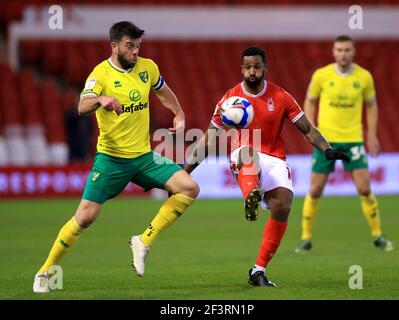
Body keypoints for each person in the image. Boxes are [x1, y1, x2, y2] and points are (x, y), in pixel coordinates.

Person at [33, 21, 199, 293]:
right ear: (114, 46)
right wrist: (100, 100)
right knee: (85, 217)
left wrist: (178, 112)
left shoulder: (148, 67)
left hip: (144, 156)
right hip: (111, 160)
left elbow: (163, 91)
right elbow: (81, 106)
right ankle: (45, 271)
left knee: (189, 188)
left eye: (137, 46)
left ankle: (142, 242)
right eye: (129, 46)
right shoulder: (100, 74)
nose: (135, 51)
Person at [185, 46, 349, 287]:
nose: (252, 71)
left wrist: (327, 149)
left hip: (275, 158)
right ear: (241, 69)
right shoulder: (229, 101)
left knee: (283, 205)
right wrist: (185, 171)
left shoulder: (281, 97)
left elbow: (308, 129)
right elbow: (209, 139)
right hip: (244, 155)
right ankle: (250, 194)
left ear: (265, 68)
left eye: (257, 66)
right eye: (248, 67)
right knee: (249, 154)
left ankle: (258, 271)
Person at [295, 35, 393, 253]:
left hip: (353, 139)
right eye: (339, 49)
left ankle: (378, 235)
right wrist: (311, 130)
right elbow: (309, 101)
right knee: (315, 189)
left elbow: (372, 105)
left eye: (347, 50)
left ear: (353, 51)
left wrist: (372, 135)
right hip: (326, 142)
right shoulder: (321, 75)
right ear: (333, 51)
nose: (343, 54)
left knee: (364, 188)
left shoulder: (364, 77)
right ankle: (305, 237)